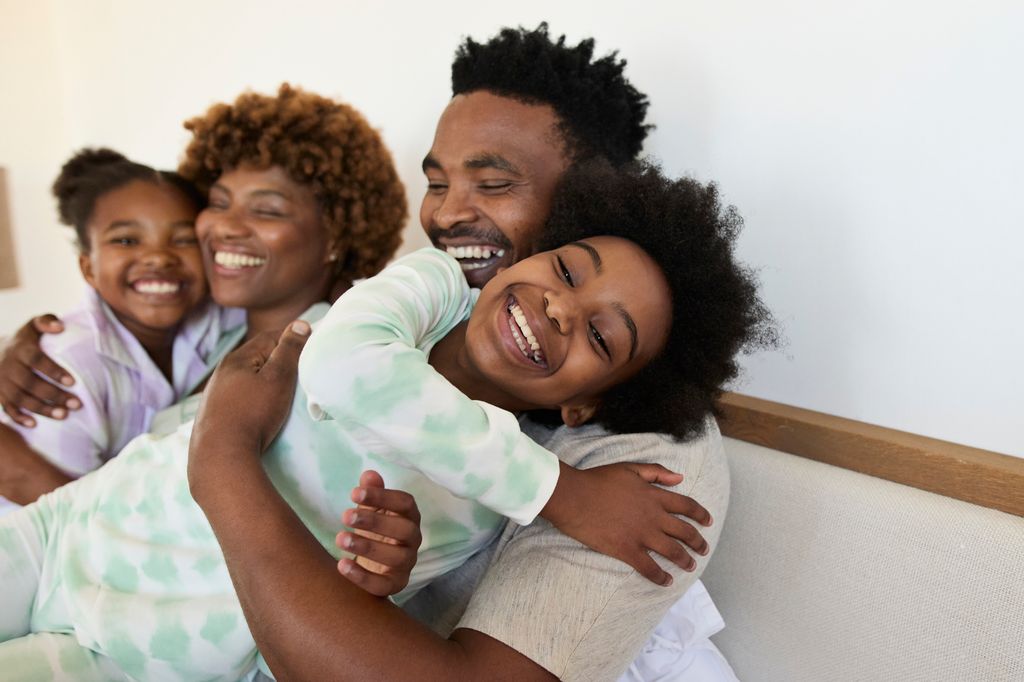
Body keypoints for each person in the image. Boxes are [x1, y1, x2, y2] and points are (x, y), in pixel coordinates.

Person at [0, 24, 744, 680]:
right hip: (65, 545)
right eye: (436, 180)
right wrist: (35, 353)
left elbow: (340, 589)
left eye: (493, 182)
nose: (449, 212)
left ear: (589, 202)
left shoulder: (637, 455)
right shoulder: (412, 297)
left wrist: (356, 562)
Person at [0, 149, 244, 514]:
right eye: (127, 240)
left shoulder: (215, 320)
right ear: (88, 268)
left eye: (183, 239)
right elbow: (45, 509)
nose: (159, 257)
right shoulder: (63, 367)